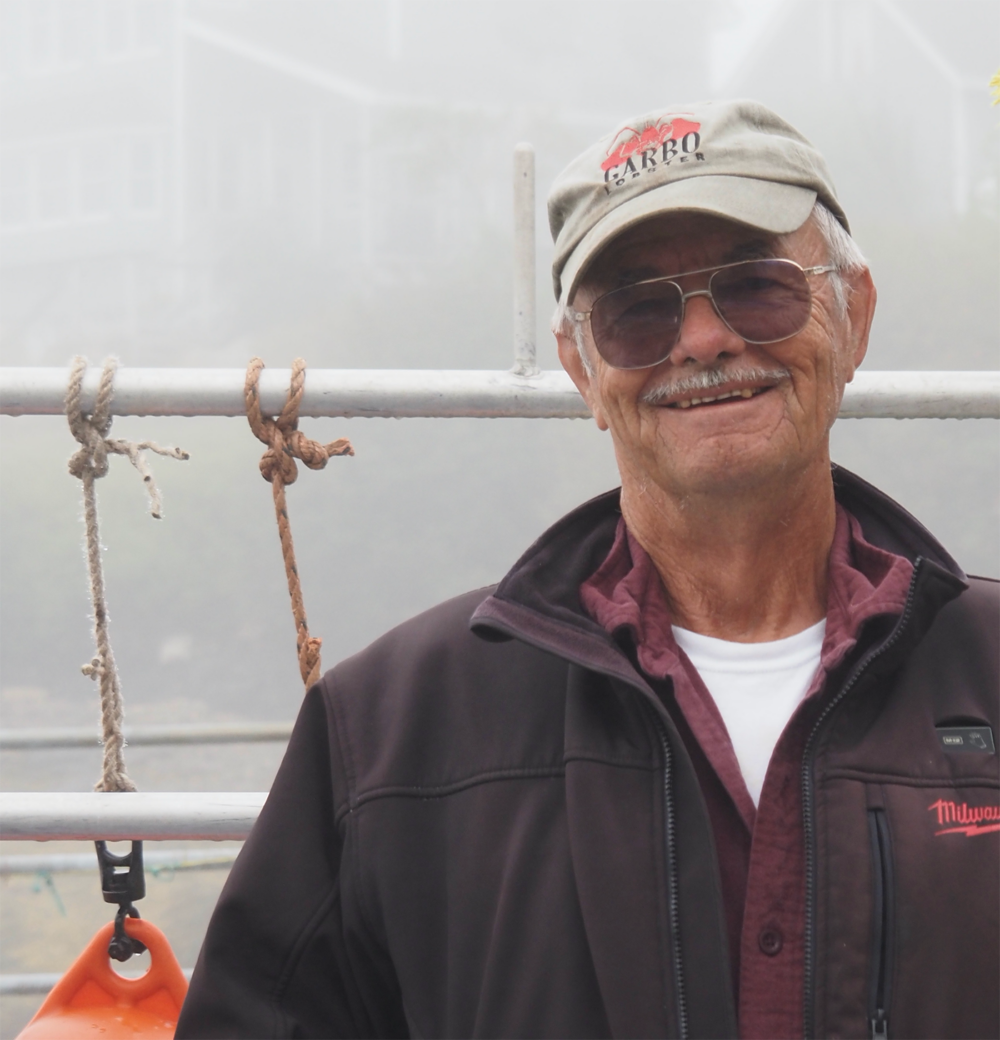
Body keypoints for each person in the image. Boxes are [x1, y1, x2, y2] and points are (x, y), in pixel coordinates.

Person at [176, 100, 998, 1040]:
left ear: (854, 315)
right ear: (579, 368)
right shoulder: (390, 734)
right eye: (638, 315)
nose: (702, 341)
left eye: (759, 287)